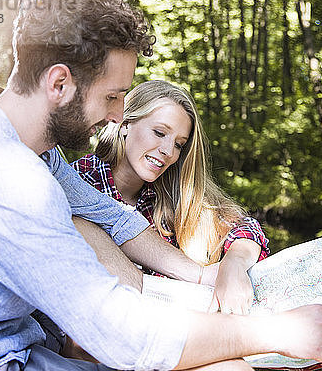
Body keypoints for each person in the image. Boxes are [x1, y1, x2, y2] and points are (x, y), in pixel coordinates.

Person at [0, 0, 322, 371]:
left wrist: (207, 275)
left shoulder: (33, 150)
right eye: (112, 96)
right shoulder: (5, 179)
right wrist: (277, 332)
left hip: (29, 344)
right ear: (59, 82)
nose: (117, 115)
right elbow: (122, 335)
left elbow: (109, 214)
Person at [72, 80, 269, 315]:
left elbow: (246, 227)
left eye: (178, 144)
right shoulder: (80, 182)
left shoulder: (167, 192)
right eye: (159, 132)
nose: (168, 152)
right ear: (125, 124)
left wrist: (234, 263)